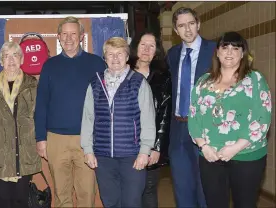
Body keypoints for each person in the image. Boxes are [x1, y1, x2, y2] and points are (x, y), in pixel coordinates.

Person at [188, 31, 272, 208]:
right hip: (210, 156)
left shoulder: (255, 80)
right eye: (225, 47)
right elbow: (194, 117)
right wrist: (203, 146)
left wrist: (235, 147)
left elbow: (262, 118)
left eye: (236, 48)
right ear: (217, 52)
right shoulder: (203, 82)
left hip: (247, 156)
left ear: (243, 54)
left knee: (245, 204)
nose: (229, 52)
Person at [34, 16, 107, 207]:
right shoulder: (49, 65)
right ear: (58, 36)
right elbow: (41, 103)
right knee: (61, 195)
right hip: (56, 139)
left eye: (73, 33)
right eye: (64, 34)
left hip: (87, 140)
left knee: (86, 194)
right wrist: (41, 138)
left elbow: (105, 103)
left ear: (81, 36)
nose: (68, 38)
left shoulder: (97, 64)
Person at [81, 37, 156, 208]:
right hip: (103, 157)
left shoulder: (139, 82)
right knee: (110, 202)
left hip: (132, 155)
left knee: (132, 203)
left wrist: (145, 151)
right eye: (110, 54)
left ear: (127, 56)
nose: (115, 58)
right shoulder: (95, 83)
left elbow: (148, 119)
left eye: (119, 53)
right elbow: (88, 118)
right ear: (105, 58)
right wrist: (88, 150)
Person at [166, 7, 216, 207]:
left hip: (205, 129)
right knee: (182, 187)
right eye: (181, 26)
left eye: (191, 24)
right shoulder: (172, 54)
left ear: (198, 24)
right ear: (176, 31)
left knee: (206, 188)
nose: (187, 30)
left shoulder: (215, 50)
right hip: (178, 128)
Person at [0, 41, 41, 208]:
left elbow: (40, 115)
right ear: (1, 61)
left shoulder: (33, 85)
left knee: (21, 201)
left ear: (22, 59)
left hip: (24, 152)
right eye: (6, 56)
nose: (11, 60)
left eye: (15, 55)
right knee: (2, 201)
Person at [128, 31, 171, 208]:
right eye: (143, 45)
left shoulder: (163, 77)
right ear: (135, 48)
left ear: (157, 51)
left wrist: (156, 148)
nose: (146, 49)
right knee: (129, 191)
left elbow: (165, 114)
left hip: (152, 145)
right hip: (126, 145)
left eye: (151, 46)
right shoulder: (123, 73)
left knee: (149, 189)